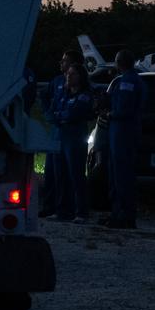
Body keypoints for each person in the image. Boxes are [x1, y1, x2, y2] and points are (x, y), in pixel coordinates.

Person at [101, 50, 148, 229]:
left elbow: (124, 108)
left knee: (122, 175)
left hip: (123, 132)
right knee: (117, 173)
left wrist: (110, 113)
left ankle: (124, 214)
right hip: (123, 132)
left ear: (118, 63)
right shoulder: (135, 80)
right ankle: (117, 213)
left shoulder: (127, 82)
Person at [48, 62, 96, 223]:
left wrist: (61, 115)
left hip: (75, 137)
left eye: (73, 73)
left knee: (76, 175)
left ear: (81, 77)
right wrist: (61, 115)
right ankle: (62, 211)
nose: (68, 76)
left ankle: (81, 212)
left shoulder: (85, 95)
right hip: (61, 136)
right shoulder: (64, 94)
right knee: (59, 174)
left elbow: (74, 113)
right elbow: (53, 111)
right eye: (68, 73)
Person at [38, 49, 80, 218]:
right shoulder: (56, 81)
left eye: (65, 61)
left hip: (69, 132)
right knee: (51, 172)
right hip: (55, 131)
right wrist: (48, 114)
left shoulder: (79, 83)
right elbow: (45, 97)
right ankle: (49, 207)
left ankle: (68, 208)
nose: (61, 64)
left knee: (67, 172)